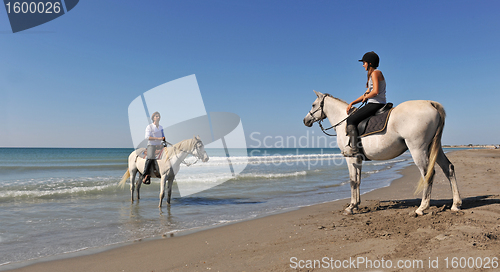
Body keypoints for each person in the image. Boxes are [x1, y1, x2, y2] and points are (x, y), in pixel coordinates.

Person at [344, 51, 386, 157]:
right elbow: (366, 93)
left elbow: (375, 91)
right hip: (375, 102)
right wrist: (352, 102)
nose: (363, 65)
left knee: (351, 120)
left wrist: (367, 96)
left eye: (364, 62)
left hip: (376, 103)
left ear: (370, 63)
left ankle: (355, 149)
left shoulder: (375, 73)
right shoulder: (371, 75)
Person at [142, 111, 165, 184]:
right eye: (156, 116)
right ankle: (145, 174)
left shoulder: (161, 127)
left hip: (159, 145)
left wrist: (164, 139)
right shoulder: (149, 127)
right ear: (153, 118)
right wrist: (158, 139)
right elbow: (147, 137)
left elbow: (163, 136)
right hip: (151, 145)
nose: (158, 117)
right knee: (150, 157)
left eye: (159, 116)